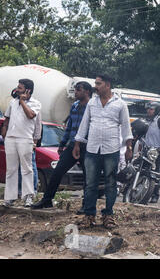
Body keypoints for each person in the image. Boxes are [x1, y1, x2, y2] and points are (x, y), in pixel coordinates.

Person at [73, 75, 133, 229]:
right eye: (95, 83)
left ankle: (108, 215)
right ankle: (89, 216)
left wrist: (129, 148)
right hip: (92, 149)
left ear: (107, 85)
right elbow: (84, 124)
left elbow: (126, 127)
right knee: (90, 184)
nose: (95, 86)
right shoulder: (92, 103)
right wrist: (77, 144)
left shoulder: (120, 104)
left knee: (111, 184)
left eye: (98, 84)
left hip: (111, 149)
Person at [32, 81, 93, 212]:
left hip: (87, 146)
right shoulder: (75, 106)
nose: (75, 92)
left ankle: (86, 206)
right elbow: (69, 126)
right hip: (72, 145)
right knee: (57, 171)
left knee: (88, 177)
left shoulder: (92, 107)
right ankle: (47, 200)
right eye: (75, 89)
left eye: (79, 90)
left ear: (87, 92)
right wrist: (62, 144)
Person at [1, 79, 41, 207]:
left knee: (27, 169)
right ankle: (10, 198)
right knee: (11, 169)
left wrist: (23, 101)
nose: (17, 89)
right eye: (17, 87)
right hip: (11, 138)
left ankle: (28, 197)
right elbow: (7, 118)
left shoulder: (36, 103)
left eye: (20, 88)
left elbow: (30, 115)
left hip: (25, 138)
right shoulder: (13, 102)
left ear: (28, 90)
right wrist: (4, 131)